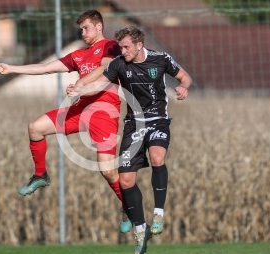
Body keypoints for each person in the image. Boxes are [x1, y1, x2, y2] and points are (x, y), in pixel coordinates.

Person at [0, 10, 132, 233]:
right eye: (81, 29)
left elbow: (105, 68)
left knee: (107, 171)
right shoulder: (78, 55)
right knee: (35, 128)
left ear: (99, 26)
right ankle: (40, 175)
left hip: (103, 114)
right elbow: (46, 68)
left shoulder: (111, 47)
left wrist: (80, 85)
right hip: (79, 109)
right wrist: (11, 68)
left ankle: (129, 206)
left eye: (86, 28)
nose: (83, 32)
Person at [68, 26, 192, 254]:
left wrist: (183, 86)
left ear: (139, 46)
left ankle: (158, 214)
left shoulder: (161, 59)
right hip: (134, 124)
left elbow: (185, 76)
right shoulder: (118, 63)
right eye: (120, 46)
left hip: (157, 120)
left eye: (126, 47)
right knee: (125, 181)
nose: (122, 50)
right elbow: (100, 84)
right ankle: (141, 229)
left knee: (157, 157)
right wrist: (79, 91)